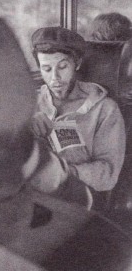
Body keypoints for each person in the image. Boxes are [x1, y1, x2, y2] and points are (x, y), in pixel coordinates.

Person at [30, 26, 126, 205]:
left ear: (78, 63)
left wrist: (65, 173)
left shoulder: (104, 109)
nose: (54, 78)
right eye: (46, 69)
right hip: (31, 195)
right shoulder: (30, 103)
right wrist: (24, 127)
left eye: (62, 66)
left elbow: (107, 172)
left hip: (81, 199)